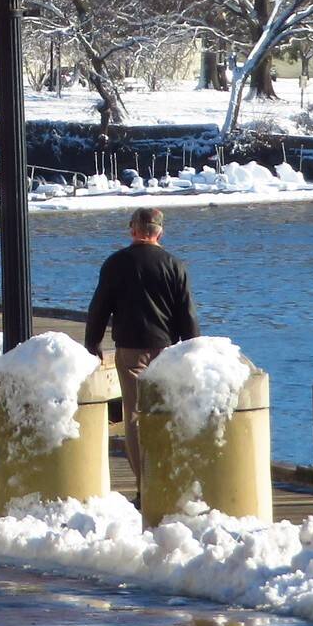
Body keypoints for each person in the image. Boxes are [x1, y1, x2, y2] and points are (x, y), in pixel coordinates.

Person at [83, 206, 198, 484]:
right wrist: (193, 348)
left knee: (134, 415)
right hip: (166, 350)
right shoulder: (174, 264)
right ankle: (168, 476)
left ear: (133, 229)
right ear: (160, 231)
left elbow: (99, 307)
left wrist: (93, 341)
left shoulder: (115, 263)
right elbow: (186, 312)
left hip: (130, 349)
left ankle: (144, 482)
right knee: (166, 411)